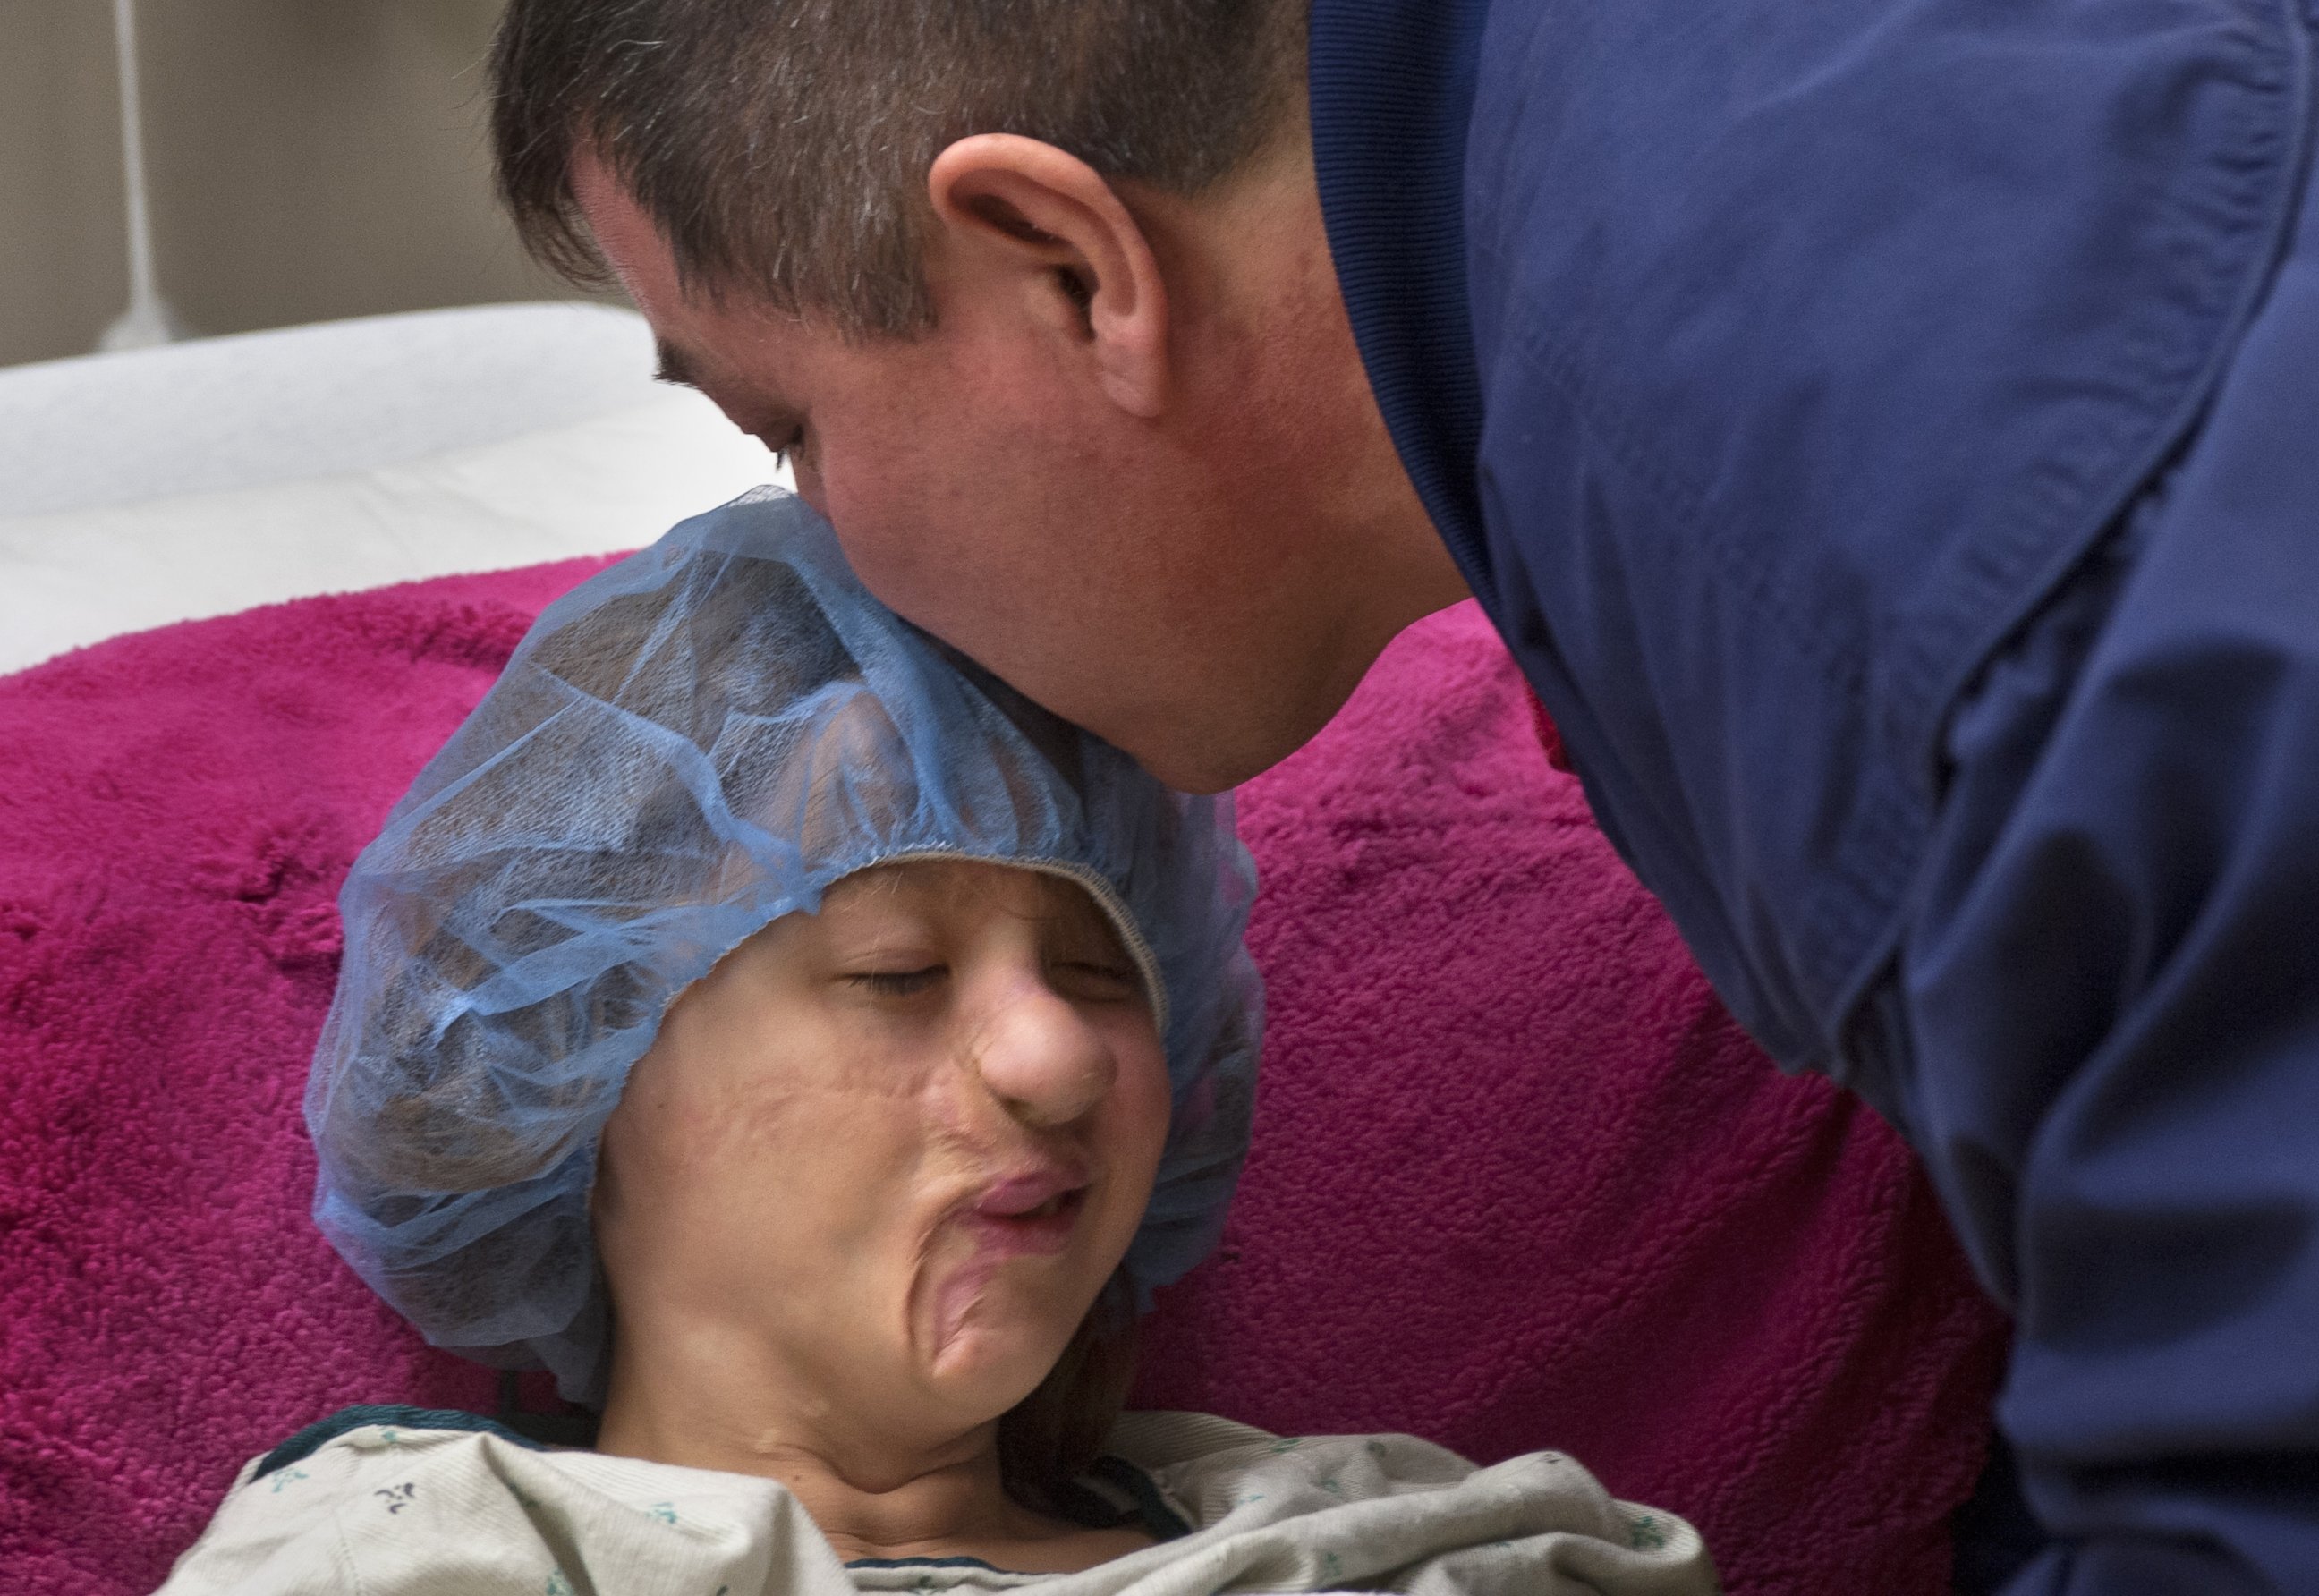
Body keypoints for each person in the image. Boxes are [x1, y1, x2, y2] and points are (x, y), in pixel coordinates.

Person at [481, 3, 2319, 1592]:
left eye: (788, 429)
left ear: (1067, 264)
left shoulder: (1860, 520)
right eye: (892, 967)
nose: (840, 567)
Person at [153, 493, 1716, 1595]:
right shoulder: (412, 1558)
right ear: (577, 1062)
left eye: (1105, 967)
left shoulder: (1413, 1546)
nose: (1059, 1059)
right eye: (898, 971)